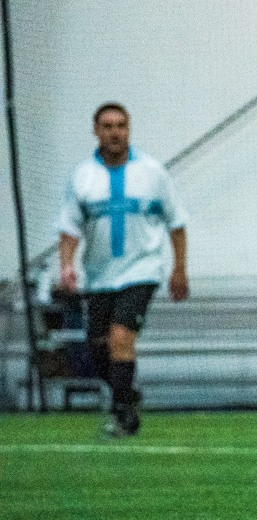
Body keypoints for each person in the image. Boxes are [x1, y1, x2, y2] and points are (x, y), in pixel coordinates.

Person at [57, 102, 189, 437]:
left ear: (129, 129)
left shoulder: (152, 173)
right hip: (99, 276)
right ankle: (127, 394)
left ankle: (120, 416)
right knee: (98, 348)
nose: (114, 132)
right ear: (96, 130)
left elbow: (176, 224)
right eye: (107, 126)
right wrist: (67, 265)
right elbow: (70, 228)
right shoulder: (83, 176)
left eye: (121, 125)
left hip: (141, 271)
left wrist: (179, 270)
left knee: (120, 338)